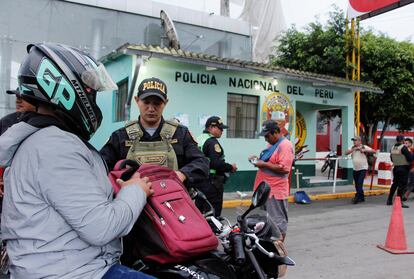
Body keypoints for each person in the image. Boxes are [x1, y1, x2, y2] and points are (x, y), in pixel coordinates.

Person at [0, 43, 156, 279]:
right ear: (64, 89)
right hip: (74, 271)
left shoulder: (42, 139)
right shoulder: (55, 146)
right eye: (90, 91)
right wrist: (136, 191)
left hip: (58, 264)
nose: (94, 100)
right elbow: (102, 227)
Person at [100, 77, 209, 186]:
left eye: (157, 103)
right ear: (137, 100)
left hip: (172, 200)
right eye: (146, 102)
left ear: (165, 103)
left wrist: (182, 174)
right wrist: (124, 177)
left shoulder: (181, 134)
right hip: (133, 200)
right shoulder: (120, 137)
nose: (151, 108)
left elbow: (201, 162)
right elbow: (100, 166)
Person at [249, 120, 294, 242]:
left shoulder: (285, 145)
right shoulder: (272, 145)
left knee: (277, 220)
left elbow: (284, 168)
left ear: (275, 133)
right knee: (265, 219)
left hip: (275, 190)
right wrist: (256, 160)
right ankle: (269, 245)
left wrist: (263, 164)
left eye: (267, 136)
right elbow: (268, 163)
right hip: (265, 189)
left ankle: (279, 247)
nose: (266, 139)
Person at [196, 116, 237, 217]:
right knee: (213, 214)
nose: (222, 131)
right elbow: (216, 164)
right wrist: (231, 167)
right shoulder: (212, 142)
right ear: (211, 127)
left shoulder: (199, 139)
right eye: (220, 128)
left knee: (200, 213)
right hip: (212, 183)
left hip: (200, 181)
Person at [345, 136, 375, 204]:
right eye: (353, 140)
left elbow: (374, 151)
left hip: (363, 168)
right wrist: (354, 149)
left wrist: (364, 150)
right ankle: (361, 197)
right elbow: (346, 152)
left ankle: (357, 197)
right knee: (356, 184)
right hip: (355, 168)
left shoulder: (363, 146)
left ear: (359, 141)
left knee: (359, 183)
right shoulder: (352, 147)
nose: (354, 141)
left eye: (355, 140)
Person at [387, 134, 412, 208]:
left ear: (396, 140)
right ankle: (399, 202)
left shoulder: (392, 148)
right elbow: (410, 158)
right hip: (403, 168)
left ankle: (389, 200)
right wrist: (410, 152)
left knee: (394, 184)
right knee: (402, 186)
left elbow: (391, 159)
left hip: (396, 168)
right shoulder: (404, 148)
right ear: (403, 140)